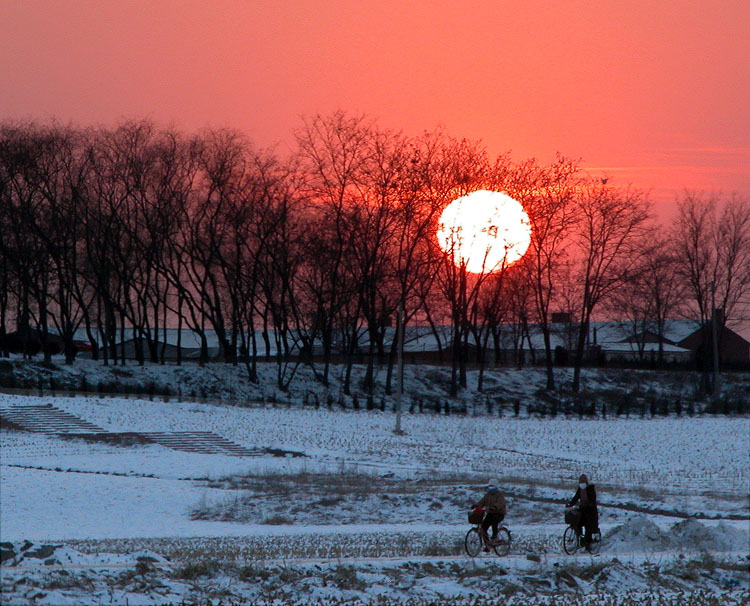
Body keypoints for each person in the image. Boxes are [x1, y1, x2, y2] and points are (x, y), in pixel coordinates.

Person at [472, 479, 507, 550]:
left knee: (494, 522)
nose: (491, 488)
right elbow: (482, 502)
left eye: (492, 486)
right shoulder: (488, 495)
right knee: (483, 527)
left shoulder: (500, 495)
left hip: (499, 513)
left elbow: (499, 504)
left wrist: (494, 507)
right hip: (490, 513)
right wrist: (476, 505)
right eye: (490, 486)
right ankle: (487, 544)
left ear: (496, 486)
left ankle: (495, 538)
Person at [567, 473, 599, 550]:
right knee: (577, 523)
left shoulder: (590, 489)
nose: (582, 484)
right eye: (580, 483)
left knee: (588, 526)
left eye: (583, 482)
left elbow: (593, 499)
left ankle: (588, 542)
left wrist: (589, 505)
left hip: (591, 511)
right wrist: (570, 504)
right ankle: (581, 539)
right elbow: (576, 497)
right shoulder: (580, 489)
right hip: (583, 510)